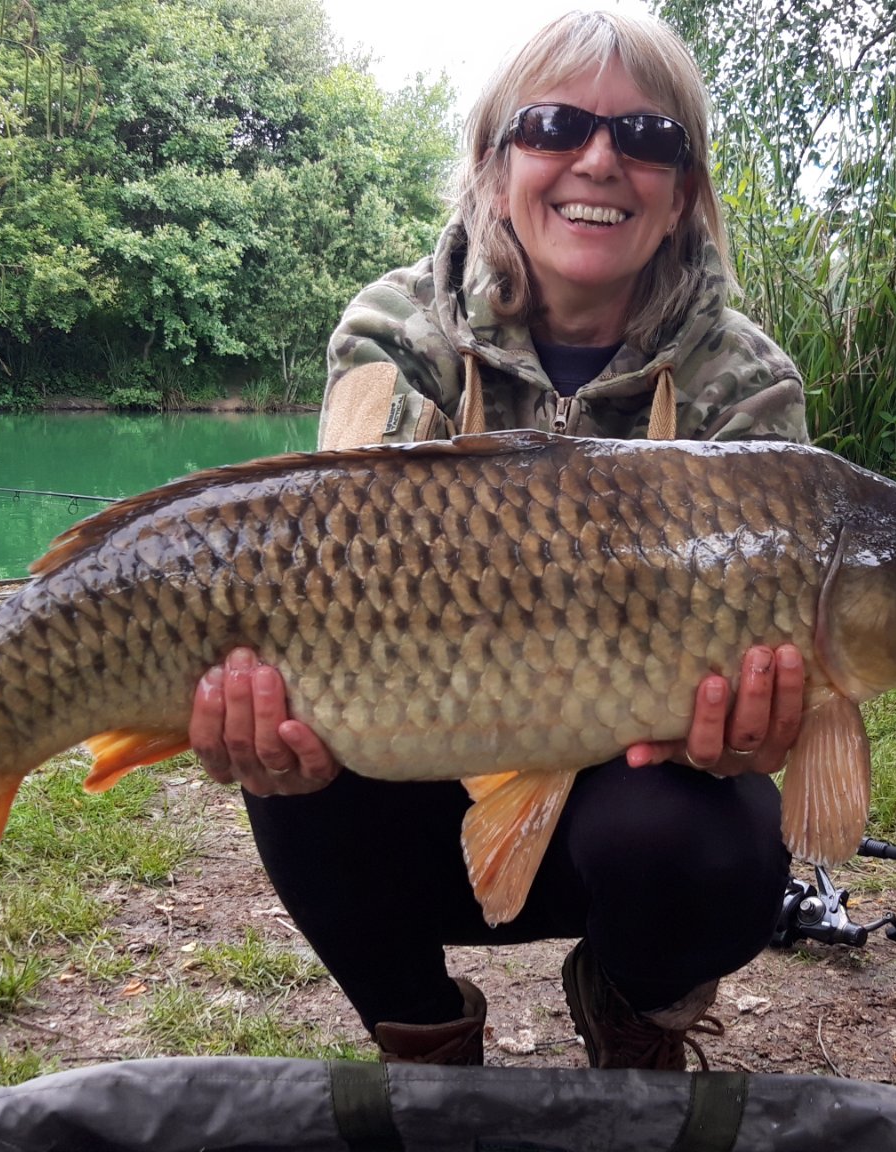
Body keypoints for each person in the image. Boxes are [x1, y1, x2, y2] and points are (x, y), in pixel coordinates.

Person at [186, 10, 812, 1071]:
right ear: (492, 162)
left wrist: (765, 728)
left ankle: (632, 1009)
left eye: (648, 138)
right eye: (554, 124)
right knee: (291, 741)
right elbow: (332, 575)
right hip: (420, 771)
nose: (601, 159)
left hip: (628, 794)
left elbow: (776, 654)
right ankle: (418, 1030)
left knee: (710, 838)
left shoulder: (744, 386)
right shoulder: (395, 332)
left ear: (684, 192)